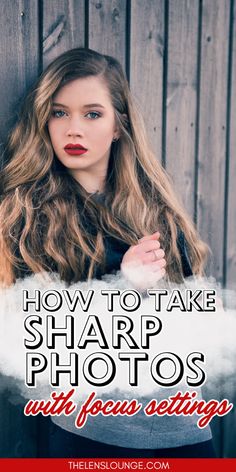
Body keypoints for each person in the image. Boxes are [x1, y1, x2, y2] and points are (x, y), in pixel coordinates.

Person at [0, 48, 215, 457]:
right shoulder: (25, 215)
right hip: (94, 438)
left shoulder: (158, 209)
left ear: (119, 125)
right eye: (59, 113)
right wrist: (122, 287)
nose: (73, 130)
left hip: (184, 433)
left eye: (92, 114)